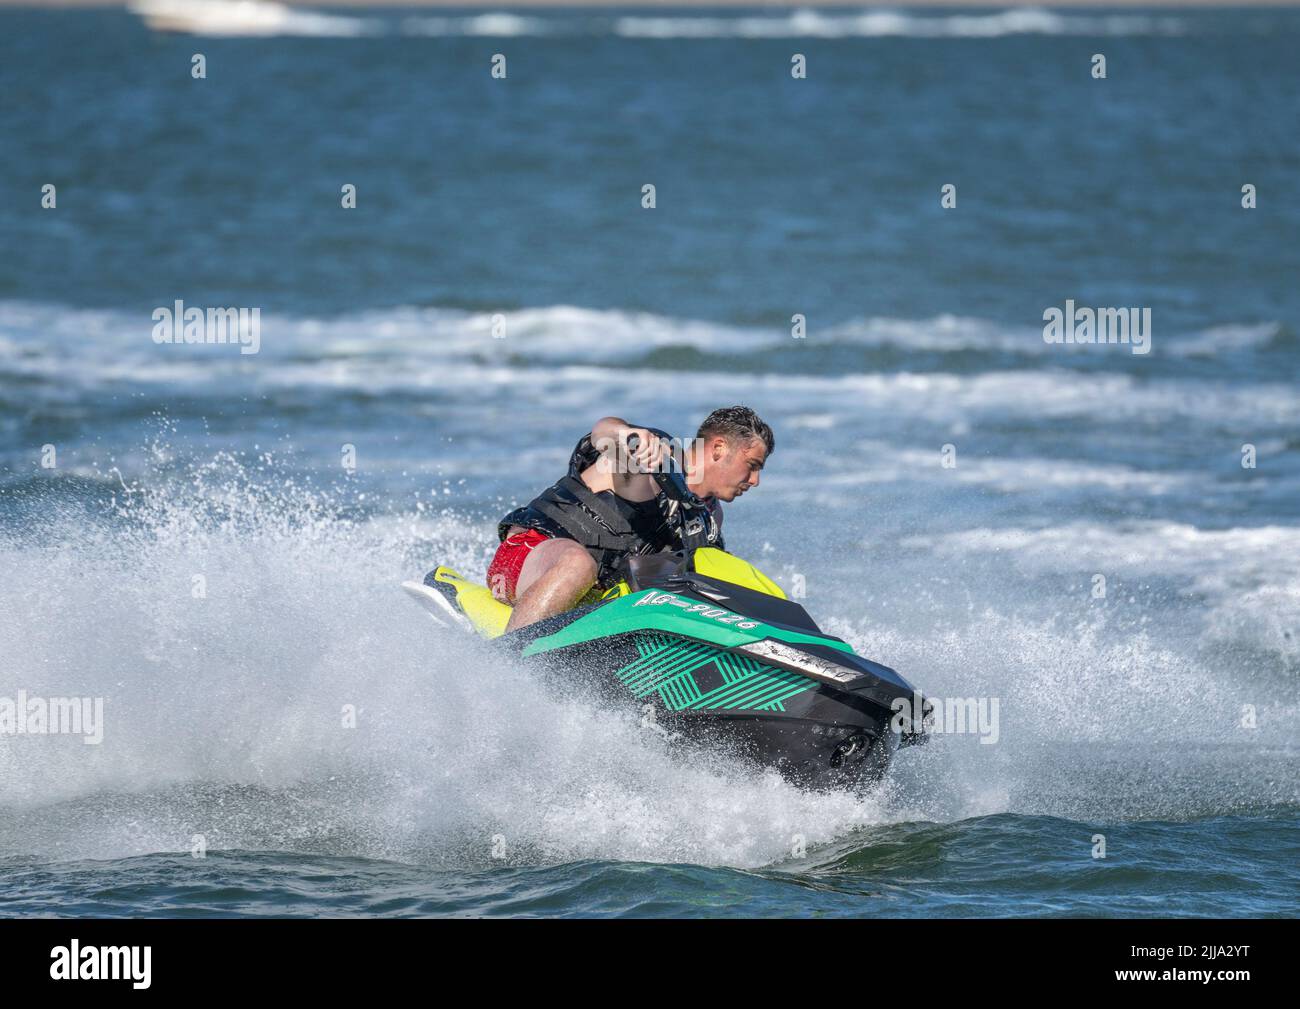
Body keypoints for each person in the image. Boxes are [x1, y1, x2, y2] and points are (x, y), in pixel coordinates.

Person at [489, 406, 774, 632]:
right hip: (526, 556)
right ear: (719, 449)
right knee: (578, 564)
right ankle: (508, 671)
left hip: (594, 595)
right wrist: (628, 434)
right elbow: (604, 433)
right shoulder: (651, 460)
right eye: (752, 466)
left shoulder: (707, 519)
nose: (756, 480)